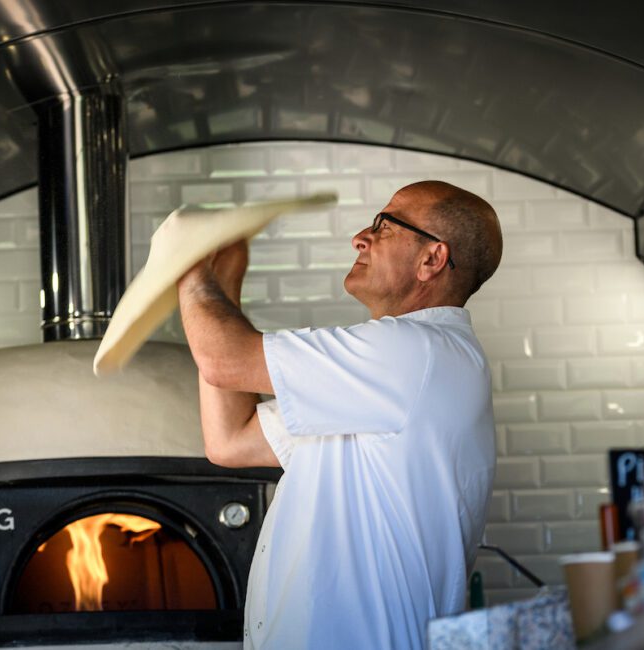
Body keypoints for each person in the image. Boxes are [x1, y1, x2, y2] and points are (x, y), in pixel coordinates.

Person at [176, 180, 503, 649]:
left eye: (384, 226)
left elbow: (223, 361)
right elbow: (230, 441)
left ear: (432, 259)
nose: (360, 238)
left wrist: (185, 266)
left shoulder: (415, 352)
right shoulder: (391, 375)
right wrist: (223, 275)